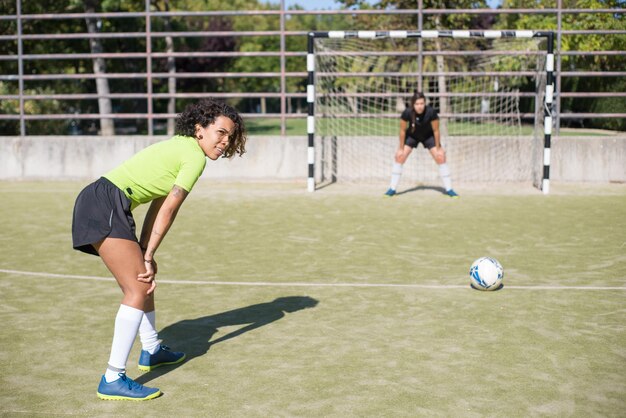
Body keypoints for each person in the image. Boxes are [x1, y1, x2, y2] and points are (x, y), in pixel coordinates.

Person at [71, 98, 247, 401]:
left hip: (104, 202)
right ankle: (113, 377)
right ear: (199, 129)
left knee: (144, 277)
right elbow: (170, 208)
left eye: (230, 136)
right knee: (137, 288)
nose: (225, 141)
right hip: (105, 205)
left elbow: (159, 203)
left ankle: (151, 349)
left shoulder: (180, 146)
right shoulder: (194, 158)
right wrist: (148, 254)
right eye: (220, 132)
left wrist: (145, 250)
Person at [384, 91, 458, 198]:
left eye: (422, 103)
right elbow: (402, 131)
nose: (420, 106)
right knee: (400, 157)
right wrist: (400, 148)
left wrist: (439, 148)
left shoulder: (431, 112)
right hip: (412, 136)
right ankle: (392, 189)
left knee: (441, 157)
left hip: (428, 136)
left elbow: (436, 130)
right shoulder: (407, 112)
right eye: (417, 104)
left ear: (425, 103)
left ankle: (449, 189)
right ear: (413, 104)